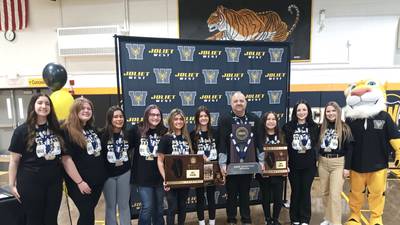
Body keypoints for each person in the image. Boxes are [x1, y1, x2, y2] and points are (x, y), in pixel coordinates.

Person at [8, 93, 64, 225]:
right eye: (40, 103)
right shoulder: (21, 131)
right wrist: (11, 184)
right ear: (33, 106)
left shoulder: (56, 129)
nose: (44, 106)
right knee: (34, 219)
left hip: (54, 182)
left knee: (51, 219)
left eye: (47, 103)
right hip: (30, 182)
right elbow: (14, 160)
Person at [218, 91, 264, 225]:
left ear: (246, 103)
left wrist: (261, 161)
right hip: (231, 164)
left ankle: (246, 219)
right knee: (231, 194)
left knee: (245, 193)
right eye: (236, 101)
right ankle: (231, 219)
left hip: (248, 164)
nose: (239, 103)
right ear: (231, 103)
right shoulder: (225, 119)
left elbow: (259, 142)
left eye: (241, 101)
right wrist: (222, 164)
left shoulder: (254, 118)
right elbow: (222, 142)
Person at [61, 97, 107, 225]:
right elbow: (66, 159)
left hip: (97, 181)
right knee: (87, 214)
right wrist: (80, 182)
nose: (86, 111)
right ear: (75, 111)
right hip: (80, 183)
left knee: (89, 213)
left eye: (89, 108)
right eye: (83, 108)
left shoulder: (91, 128)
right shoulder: (67, 130)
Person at [282, 100, 319, 225]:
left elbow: (317, 146)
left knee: (305, 191)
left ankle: (305, 219)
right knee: (295, 191)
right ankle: (295, 218)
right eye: (299, 110)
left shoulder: (314, 127)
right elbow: (284, 147)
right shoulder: (288, 127)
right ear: (295, 112)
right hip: (294, 165)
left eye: (304, 110)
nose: (301, 112)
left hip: (309, 165)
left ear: (308, 111)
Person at [131, 104, 167, 225]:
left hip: (159, 177)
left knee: (160, 208)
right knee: (147, 207)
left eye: (158, 115)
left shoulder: (164, 132)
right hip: (143, 176)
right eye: (152, 114)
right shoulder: (137, 130)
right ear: (147, 115)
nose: (155, 117)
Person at [318, 101, 353, 225]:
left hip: (338, 163)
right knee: (325, 193)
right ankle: (328, 218)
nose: (330, 113)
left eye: (333, 111)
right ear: (325, 113)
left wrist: (347, 168)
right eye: (328, 111)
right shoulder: (321, 127)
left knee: (335, 194)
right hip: (323, 162)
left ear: (338, 112)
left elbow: (350, 149)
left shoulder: (345, 128)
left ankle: (336, 222)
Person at [157, 108, 192, 225]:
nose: (178, 121)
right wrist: (165, 178)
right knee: (172, 208)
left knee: (183, 207)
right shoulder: (165, 138)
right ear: (171, 121)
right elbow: (160, 161)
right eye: (176, 119)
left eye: (181, 119)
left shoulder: (186, 138)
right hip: (171, 179)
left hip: (185, 179)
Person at [101, 106, 132, 225]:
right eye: (115, 117)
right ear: (110, 119)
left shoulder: (128, 135)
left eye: (121, 116)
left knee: (124, 205)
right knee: (110, 206)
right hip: (108, 175)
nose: (119, 119)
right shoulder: (102, 135)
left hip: (124, 173)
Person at [256, 112, 286, 225]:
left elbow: (285, 153)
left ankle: (275, 219)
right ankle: (268, 219)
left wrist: (285, 167)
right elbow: (256, 152)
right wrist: (260, 164)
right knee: (266, 197)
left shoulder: (282, 135)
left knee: (278, 198)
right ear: (264, 121)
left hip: (278, 172)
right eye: (268, 119)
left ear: (276, 121)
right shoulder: (260, 136)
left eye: (273, 119)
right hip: (264, 172)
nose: (271, 121)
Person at [190, 106, 218, 225]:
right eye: (201, 116)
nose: (203, 118)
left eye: (205, 116)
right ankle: (201, 222)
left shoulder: (215, 132)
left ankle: (212, 222)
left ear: (209, 118)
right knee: (200, 197)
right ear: (197, 118)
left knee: (211, 197)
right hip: (199, 169)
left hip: (212, 168)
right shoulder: (192, 134)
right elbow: (190, 153)